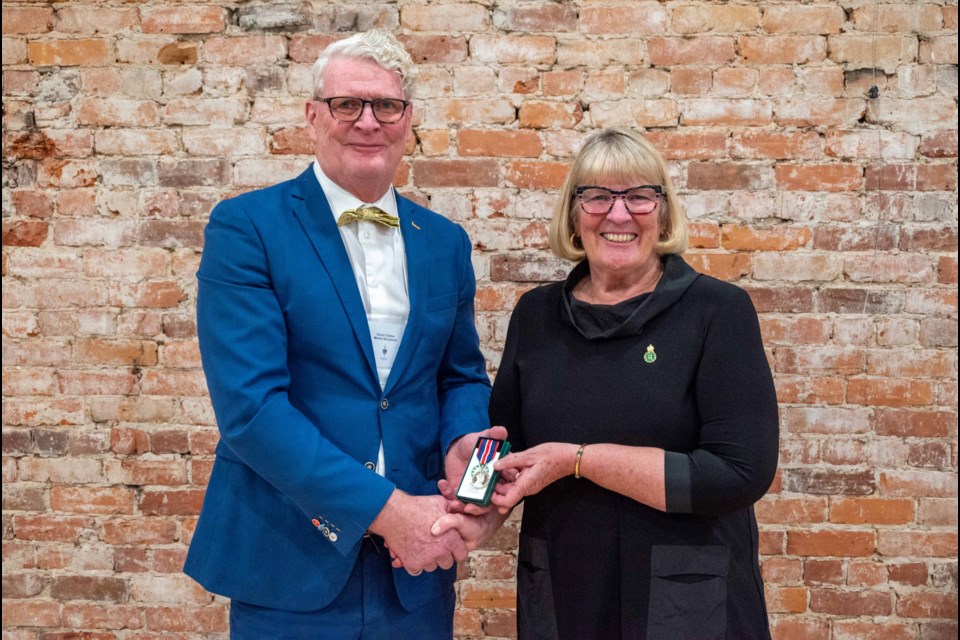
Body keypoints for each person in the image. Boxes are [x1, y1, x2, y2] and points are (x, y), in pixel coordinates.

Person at [184, 30, 500, 639]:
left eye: (386, 106)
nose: (367, 121)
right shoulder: (246, 227)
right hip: (289, 557)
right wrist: (389, 514)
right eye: (346, 104)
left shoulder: (445, 241)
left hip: (416, 569)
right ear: (312, 115)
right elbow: (250, 412)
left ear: (407, 120)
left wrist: (472, 467)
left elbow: (461, 374)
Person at [485, 128, 779, 639]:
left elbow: (740, 472)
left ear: (662, 211)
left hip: (690, 602)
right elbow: (506, 443)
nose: (617, 214)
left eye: (639, 196)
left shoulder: (717, 312)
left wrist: (581, 459)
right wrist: (466, 499)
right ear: (574, 214)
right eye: (597, 196)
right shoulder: (535, 315)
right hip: (564, 589)